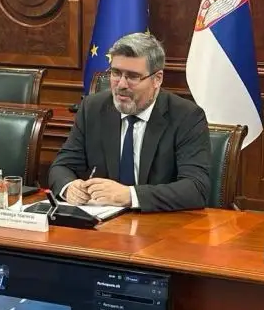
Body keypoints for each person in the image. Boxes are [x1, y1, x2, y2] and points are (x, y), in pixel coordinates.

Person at [49, 32, 211, 212]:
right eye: (116, 73)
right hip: (101, 221)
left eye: (133, 76)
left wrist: (130, 196)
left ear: (157, 79)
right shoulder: (92, 108)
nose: (121, 85)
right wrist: (69, 187)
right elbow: (62, 166)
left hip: (159, 222)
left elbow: (196, 188)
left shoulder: (186, 116)